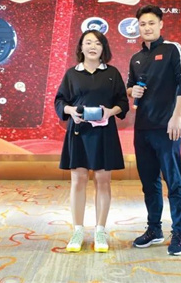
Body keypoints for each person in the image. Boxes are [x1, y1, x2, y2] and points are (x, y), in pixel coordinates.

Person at [54, 30, 129, 253]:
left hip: (104, 133)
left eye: (97, 43)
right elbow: (60, 101)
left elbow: (122, 102)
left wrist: (109, 112)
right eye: (88, 43)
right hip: (78, 132)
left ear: (103, 48)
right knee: (78, 180)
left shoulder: (112, 73)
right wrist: (71, 111)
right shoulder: (72, 74)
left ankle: (100, 231)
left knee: (103, 181)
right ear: (81, 48)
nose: (92, 47)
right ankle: (77, 230)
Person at [127, 5, 181, 256]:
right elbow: (130, 87)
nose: (147, 28)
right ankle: (154, 229)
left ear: (161, 24)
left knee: (173, 182)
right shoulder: (136, 58)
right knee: (149, 182)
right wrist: (132, 91)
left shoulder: (173, 49)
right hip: (142, 128)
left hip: (168, 127)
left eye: (151, 23)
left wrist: (177, 116)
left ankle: (179, 233)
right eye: (143, 24)